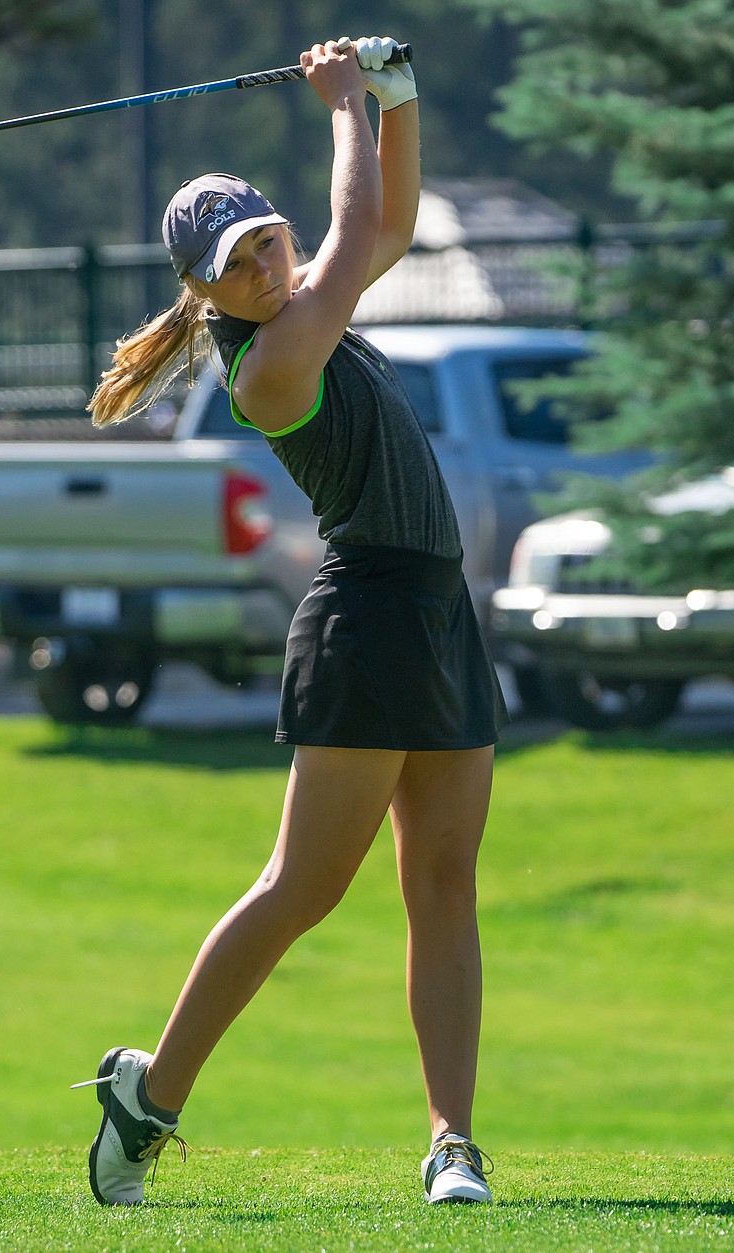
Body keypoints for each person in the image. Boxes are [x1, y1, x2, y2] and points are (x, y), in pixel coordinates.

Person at [75, 35, 506, 1208]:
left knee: (447, 883)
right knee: (301, 888)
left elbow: (392, 224)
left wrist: (399, 94)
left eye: (268, 242)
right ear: (205, 291)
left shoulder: (314, 301)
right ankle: (151, 1093)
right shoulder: (268, 361)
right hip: (365, 616)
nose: (266, 265)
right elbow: (360, 223)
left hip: (435, 611)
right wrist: (343, 108)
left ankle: (451, 1139)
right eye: (239, 262)